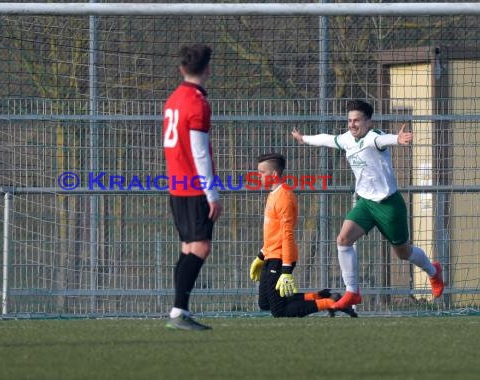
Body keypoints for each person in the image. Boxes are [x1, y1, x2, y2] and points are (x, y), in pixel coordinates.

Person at [291, 100, 444, 310]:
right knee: (343, 239)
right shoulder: (346, 139)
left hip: (389, 205)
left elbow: (384, 140)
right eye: (349, 120)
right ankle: (352, 292)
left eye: (357, 121)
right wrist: (303, 138)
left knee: (403, 253)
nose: (352, 124)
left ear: (368, 122)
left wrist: (397, 140)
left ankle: (433, 271)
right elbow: (327, 139)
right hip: (366, 203)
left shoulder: (373, 138)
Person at [248, 153, 356, 317]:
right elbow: (273, 234)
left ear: (274, 174)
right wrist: (261, 255)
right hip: (270, 255)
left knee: (279, 310)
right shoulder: (272, 194)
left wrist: (285, 269)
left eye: (262, 172)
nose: (258, 176)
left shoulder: (284, 197)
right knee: (265, 303)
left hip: (280, 257)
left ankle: (330, 303)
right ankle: (321, 296)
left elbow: (287, 236)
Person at [163, 44, 222, 330]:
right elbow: (200, 152)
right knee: (199, 247)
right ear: (208, 69)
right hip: (193, 185)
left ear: (181, 69)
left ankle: (180, 311)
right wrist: (212, 194)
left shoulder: (173, 99)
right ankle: (178, 311)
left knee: (188, 248)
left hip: (176, 183)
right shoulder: (197, 103)